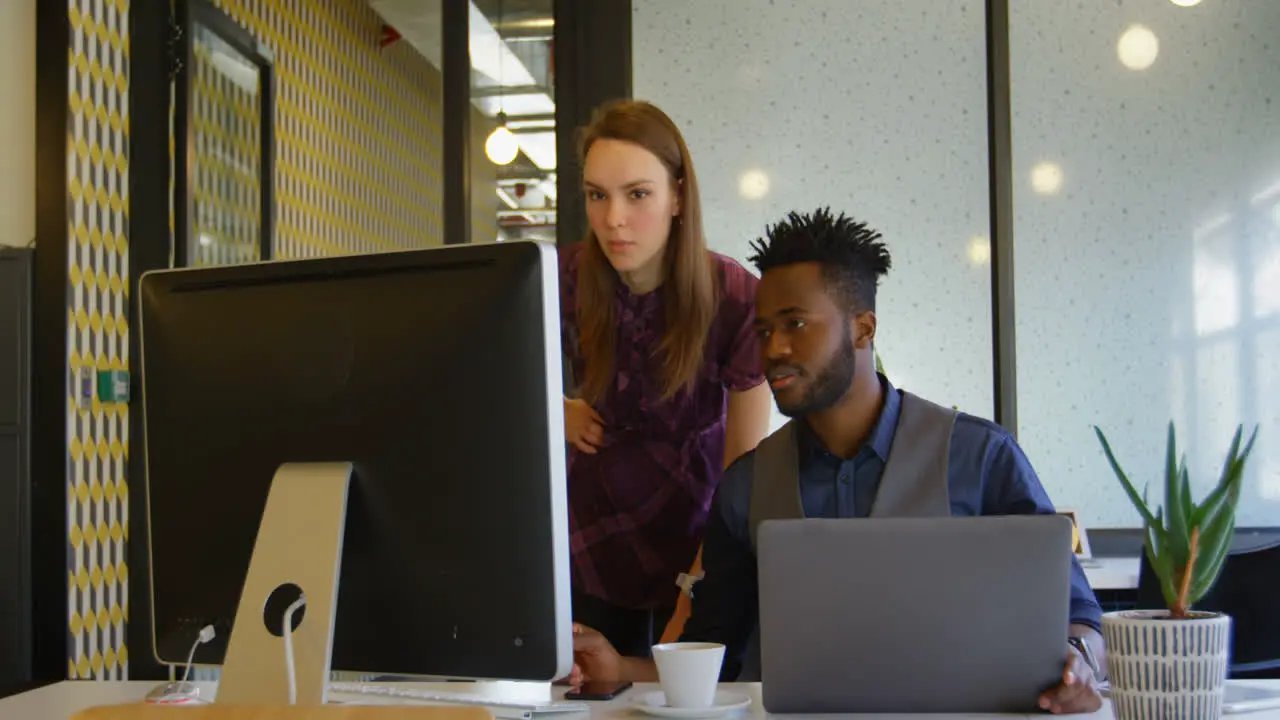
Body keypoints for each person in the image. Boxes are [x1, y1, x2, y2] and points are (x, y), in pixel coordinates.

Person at [570, 208, 1107, 715]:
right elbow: (715, 657)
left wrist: (1080, 667)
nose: (773, 347)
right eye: (762, 330)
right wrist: (620, 667)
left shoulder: (982, 458)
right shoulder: (746, 486)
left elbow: (1080, 618)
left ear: (863, 329)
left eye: (796, 324)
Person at [558, 100, 774, 659]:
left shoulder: (734, 297)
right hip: (588, 539)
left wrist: (697, 586)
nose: (613, 220)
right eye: (597, 195)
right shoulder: (566, 276)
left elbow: (743, 472)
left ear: (678, 195)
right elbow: (495, 375)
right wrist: (553, 409)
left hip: (694, 535)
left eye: (637, 194)